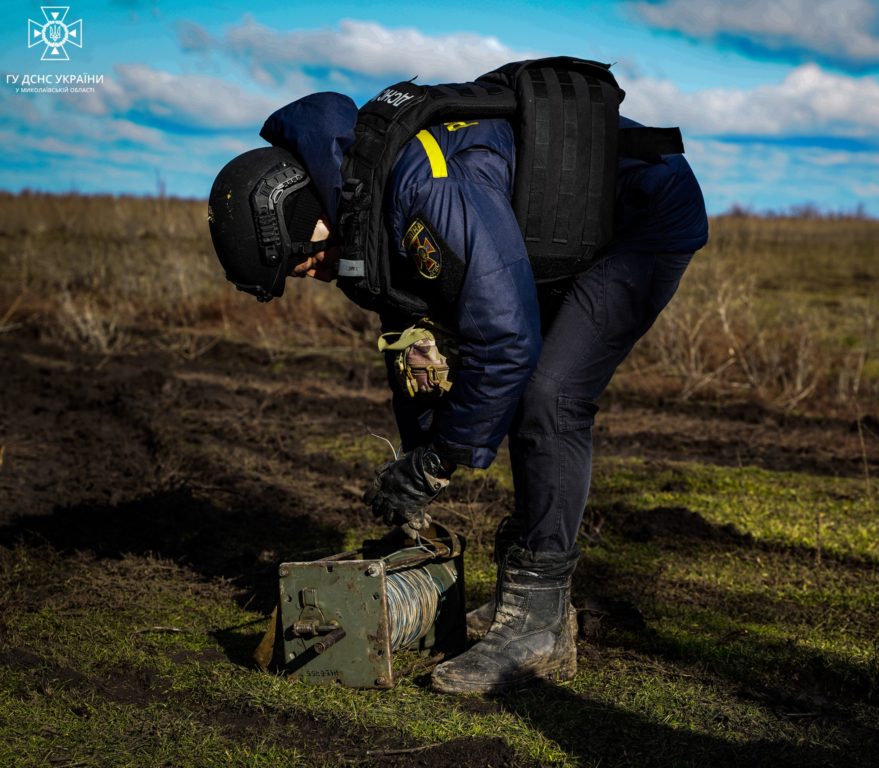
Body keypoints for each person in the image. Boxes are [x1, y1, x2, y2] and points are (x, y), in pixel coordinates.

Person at [208, 61, 708, 695]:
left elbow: (505, 342)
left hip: (643, 217)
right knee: (527, 384)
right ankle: (527, 603)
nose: (312, 274)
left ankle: (538, 625)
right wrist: (417, 454)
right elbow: (414, 343)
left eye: (302, 260)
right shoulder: (360, 205)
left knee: (550, 395)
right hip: (555, 224)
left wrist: (439, 460)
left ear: (304, 213)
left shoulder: (422, 192)